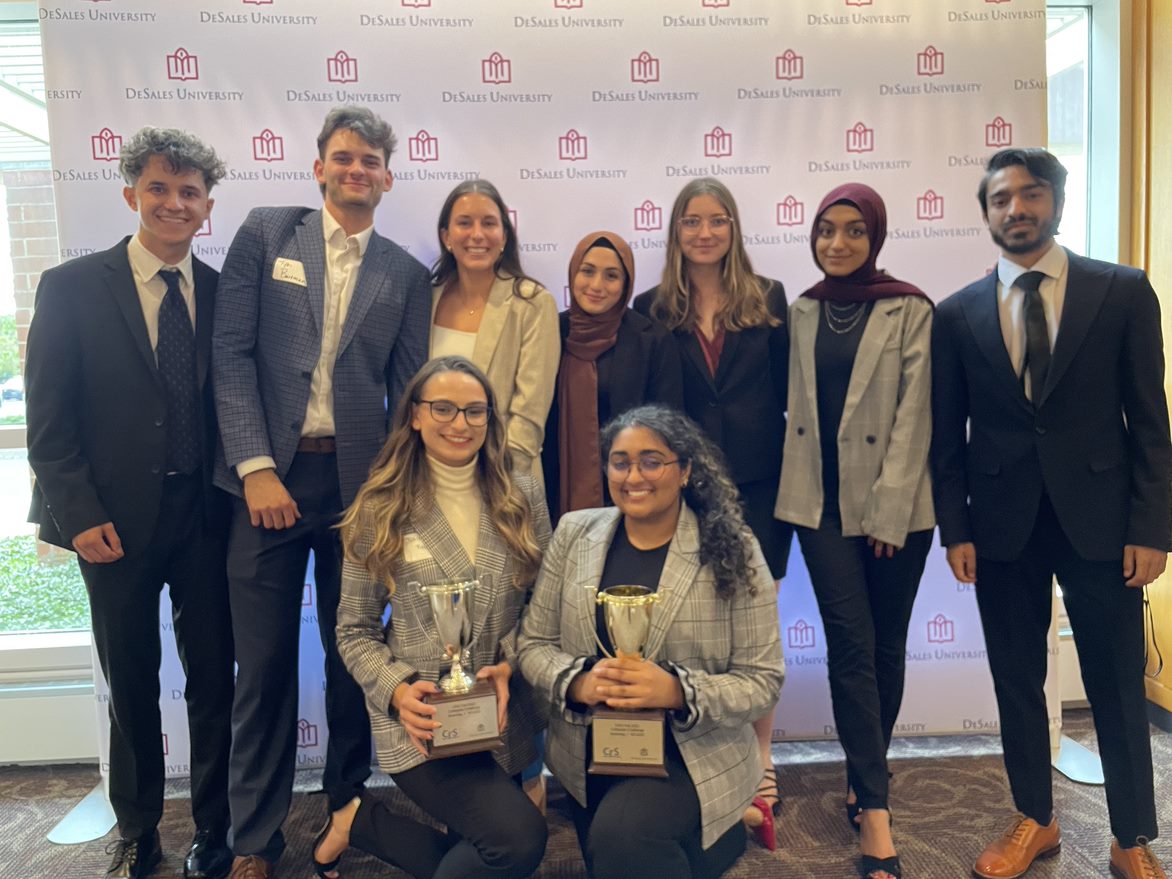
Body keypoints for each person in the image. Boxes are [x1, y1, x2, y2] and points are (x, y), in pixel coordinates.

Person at [931, 147, 1171, 879]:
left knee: (1115, 679)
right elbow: (948, 433)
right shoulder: (957, 312)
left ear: (1056, 205)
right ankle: (1035, 816)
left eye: (1031, 195)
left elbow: (1150, 420)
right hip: (1001, 523)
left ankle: (1131, 834)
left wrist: (1152, 527)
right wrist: (956, 527)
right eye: (1001, 199)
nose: (1016, 209)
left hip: (1103, 523)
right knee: (1015, 679)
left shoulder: (1122, 291)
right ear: (987, 213)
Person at [212, 106, 432, 878]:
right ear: (319, 167)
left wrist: (396, 496)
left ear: (387, 176)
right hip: (266, 481)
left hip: (359, 487)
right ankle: (254, 837)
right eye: (343, 158)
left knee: (353, 657)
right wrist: (255, 467)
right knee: (264, 664)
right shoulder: (268, 232)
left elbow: (409, 393)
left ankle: (347, 805)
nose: (356, 170)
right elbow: (231, 355)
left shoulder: (405, 273)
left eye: (370, 161)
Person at [25, 127, 234, 879]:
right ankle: (140, 828)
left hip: (206, 520)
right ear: (130, 194)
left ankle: (217, 828)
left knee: (215, 679)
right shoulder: (72, 286)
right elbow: (48, 424)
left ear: (207, 207)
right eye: (159, 189)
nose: (174, 204)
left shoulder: (221, 294)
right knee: (133, 680)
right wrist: (78, 516)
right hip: (109, 524)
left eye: (189, 193)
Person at [517, 404, 785, 878]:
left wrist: (678, 691)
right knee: (622, 852)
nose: (633, 475)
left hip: (693, 754)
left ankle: (725, 820)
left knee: (623, 839)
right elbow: (533, 644)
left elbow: (762, 681)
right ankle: (727, 831)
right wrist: (577, 683)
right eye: (620, 461)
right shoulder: (574, 532)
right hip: (592, 754)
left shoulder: (733, 547)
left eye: (651, 461)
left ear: (684, 471)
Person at [310, 355, 550, 879]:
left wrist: (512, 665)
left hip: (502, 715)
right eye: (443, 408)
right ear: (415, 415)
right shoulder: (380, 505)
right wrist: (397, 690)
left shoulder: (524, 492)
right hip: (422, 719)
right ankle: (362, 819)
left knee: (486, 850)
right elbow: (353, 629)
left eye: (474, 411)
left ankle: (360, 822)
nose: (460, 424)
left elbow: (544, 607)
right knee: (519, 841)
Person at [774, 183, 935, 879]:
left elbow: (916, 413)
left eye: (852, 232)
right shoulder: (802, 309)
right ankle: (875, 809)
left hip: (894, 505)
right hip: (819, 504)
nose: (836, 244)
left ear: (876, 236)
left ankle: (862, 769)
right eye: (825, 230)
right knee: (851, 642)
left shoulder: (909, 306)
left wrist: (890, 511)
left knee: (887, 646)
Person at [632, 178, 791, 838]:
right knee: (697, 621)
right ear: (674, 232)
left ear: (733, 229)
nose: (704, 232)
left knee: (754, 623)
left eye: (716, 220)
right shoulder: (651, 307)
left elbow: (790, 394)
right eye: (691, 221)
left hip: (761, 482)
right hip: (686, 488)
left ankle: (761, 756)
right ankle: (702, 750)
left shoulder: (770, 299)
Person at [542, 230, 684, 525]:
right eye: (588, 271)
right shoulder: (550, 331)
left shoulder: (651, 340)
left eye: (611, 276)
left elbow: (669, 426)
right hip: (553, 493)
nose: (597, 285)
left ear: (626, 284)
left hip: (633, 493)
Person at [429, 179, 559, 485]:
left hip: (502, 479)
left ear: (503, 236)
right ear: (446, 237)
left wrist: (495, 481)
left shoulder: (531, 303)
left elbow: (529, 414)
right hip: (427, 476)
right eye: (464, 223)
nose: (477, 234)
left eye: (489, 223)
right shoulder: (425, 299)